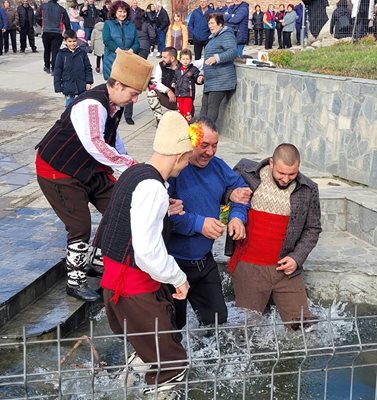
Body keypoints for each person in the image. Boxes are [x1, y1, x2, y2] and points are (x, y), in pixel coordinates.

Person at [94, 111, 198, 396]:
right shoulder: (153, 188)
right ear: (178, 156)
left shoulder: (135, 173)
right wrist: (178, 277)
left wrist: (164, 207)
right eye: (187, 158)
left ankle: (125, 384)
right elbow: (147, 253)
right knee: (174, 365)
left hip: (116, 286)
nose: (187, 164)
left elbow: (128, 220)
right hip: (134, 289)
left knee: (158, 346)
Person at [35, 49, 152, 302]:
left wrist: (127, 169)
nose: (134, 100)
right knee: (79, 225)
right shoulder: (91, 104)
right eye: (133, 94)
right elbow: (96, 144)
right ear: (118, 84)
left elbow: (113, 139)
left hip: (89, 169)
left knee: (121, 208)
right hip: (58, 170)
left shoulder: (114, 103)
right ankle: (75, 281)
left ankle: (97, 259)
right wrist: (130, 165)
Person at [165, 116, 250, 329]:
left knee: (218, 323)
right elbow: (164, 215)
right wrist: (199, 224)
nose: (210, 152)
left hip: (204, 262)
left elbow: (241, 191)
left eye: (214, 146)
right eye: (204, 146)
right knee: (174, 327)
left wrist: (237, 216)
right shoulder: (174, 171)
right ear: (190, 141)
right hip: (172, 263)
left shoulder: (218, 166)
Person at [230, 143, 321, 330]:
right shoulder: (246, 173)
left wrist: (297, 258)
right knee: (246, 330)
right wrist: (234, 215)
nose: (286, 179)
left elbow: (313, 228)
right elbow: (224, 193)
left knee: (304, 328)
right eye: (281, 173)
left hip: (286, 269)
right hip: (249, 266)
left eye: (292, 174)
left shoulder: (308, 189)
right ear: (271, 163)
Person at [103, 0, 140, 125]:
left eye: (124, 12)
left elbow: (136, 42)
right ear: (115, 12)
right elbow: (106, 40)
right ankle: (110, 115)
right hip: (112, 60)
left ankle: (128, 115)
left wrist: (131, 50)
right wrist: (118, 50)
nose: (122, 14)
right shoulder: (108, 24)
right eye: (120, 11)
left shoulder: (131, 25)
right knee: (113, 89)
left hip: (127, 60)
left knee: (128, 88)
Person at [200, 13, 237, 124]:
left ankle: (208, 133)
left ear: (220, 24)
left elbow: (232, 52)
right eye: (209, 23)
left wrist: (217, 58)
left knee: (212, 106)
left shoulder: (227, 35)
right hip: (210, 80)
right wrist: (202, 73)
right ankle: (199, 132)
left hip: (222, 79)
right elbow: (207, 58)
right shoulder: (213, 38)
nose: (210, 26)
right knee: (204, 106)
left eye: (212, 23)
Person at [54, 29, 93, 107]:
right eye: (70, 41)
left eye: (74, 41)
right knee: (69, 107)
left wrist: (88, 82)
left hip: (81, 85)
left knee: (82, 107)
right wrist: (58, 86)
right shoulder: (61, 54)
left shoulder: (82, 53)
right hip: (68, 86)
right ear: (65, 41)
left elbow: (88, 68)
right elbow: (58, 70)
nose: (72, 43)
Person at [147, 46, 179, 123]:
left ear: (172, 58)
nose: (162, 59)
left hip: (180, 99)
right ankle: (159, 119)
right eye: (162, 57)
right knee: (151, 89)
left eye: (165, 57)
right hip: (166, 96)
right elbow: (155, 82)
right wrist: (167, 90)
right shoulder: (160, 66)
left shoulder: (182, 67)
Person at [36, 0, 70, 73]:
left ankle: (47, 66)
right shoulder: (61, 9)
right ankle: (54, 68)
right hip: (57, 32)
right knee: (55, 51)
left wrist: (42, 24)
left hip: (46, 31)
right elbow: (67, 21)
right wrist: (68, 32)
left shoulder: (42, 7)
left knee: (47, 49)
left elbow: (37, 17)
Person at [172, 48, 203, 121]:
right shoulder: (177, 70)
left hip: (188, 94)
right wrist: (173, 83)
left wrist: (199, 79)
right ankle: (181, 126)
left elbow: (197, 77)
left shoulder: (193, 69)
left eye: (187, 59)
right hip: (179, 94)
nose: (185, 61)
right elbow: (174, 78)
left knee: (187, 111)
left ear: (191, 59)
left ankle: (188, 126)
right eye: (183, 59)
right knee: (180, 111)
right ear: (180, 60)